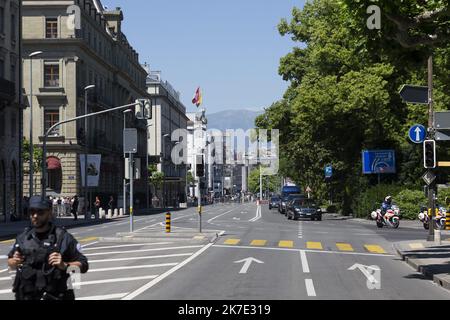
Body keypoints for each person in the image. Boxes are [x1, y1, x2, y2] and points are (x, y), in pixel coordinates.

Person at [7, 196, 89, 300]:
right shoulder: (23, 238)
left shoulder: (63, 238)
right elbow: (10, 262)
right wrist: (14, 261)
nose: (35, 216)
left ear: (49, 213)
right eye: (32, 212)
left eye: (40, 212)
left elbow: (84, 265)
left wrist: (64, 265)